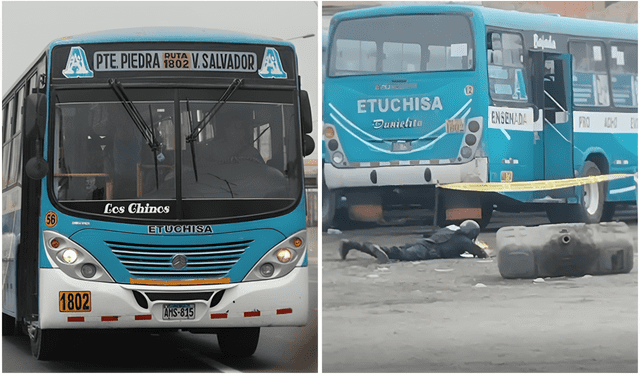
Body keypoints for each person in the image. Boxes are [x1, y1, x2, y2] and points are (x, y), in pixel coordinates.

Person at [338, 220, 488, 263]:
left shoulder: (451, 230)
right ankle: (375, 248)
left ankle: (351, 244)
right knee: (397, 254)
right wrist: (489, 255)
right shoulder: (463, 240)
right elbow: (479, 252)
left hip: (420, 242)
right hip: (427, 250)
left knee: (397, 252)